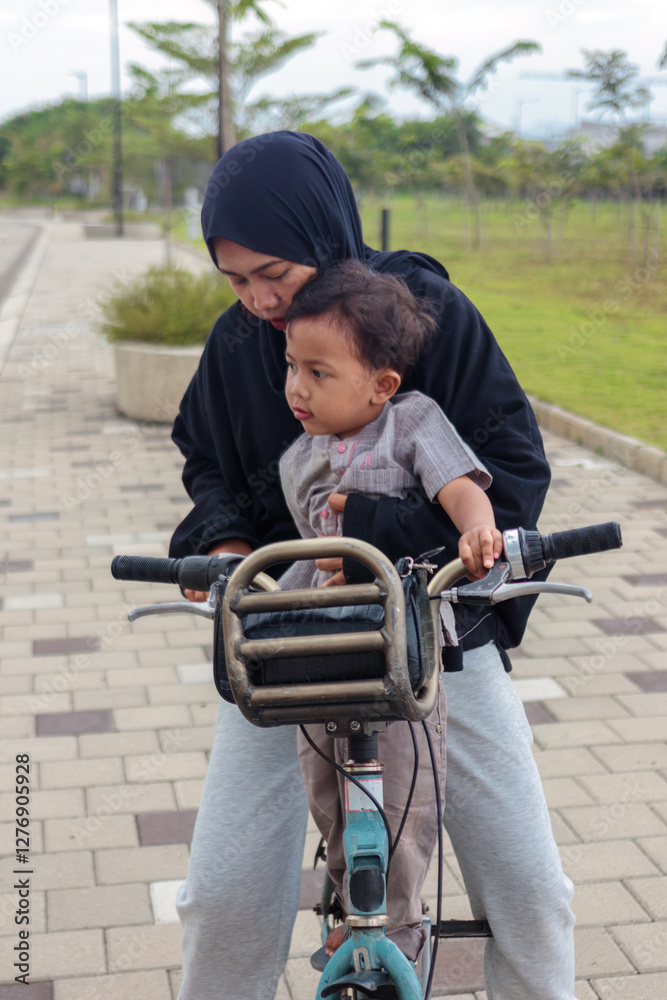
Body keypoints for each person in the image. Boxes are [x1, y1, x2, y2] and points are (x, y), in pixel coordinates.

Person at [170, 131, 576, 1000]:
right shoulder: (241, 344)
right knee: (219, 899)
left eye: (270, 273)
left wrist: (399, 533)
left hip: (432, 635)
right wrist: (227, 550)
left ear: (320, 235)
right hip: (290, 643)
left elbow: (505, 467)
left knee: (534, 898)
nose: (255, 301)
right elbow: (208, 464)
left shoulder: (426, 312)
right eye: (232, 279)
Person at [276, 257, 501, 962]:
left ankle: (399, 921)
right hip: (322, 647)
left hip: (398, 645)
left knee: (402, 790)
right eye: (291, 366)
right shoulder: (297, 456)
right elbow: (306, 555)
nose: (296, 387)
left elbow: (458, 486)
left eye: (318, 372)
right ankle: (349, 896)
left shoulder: (410, 423)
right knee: (321, 781)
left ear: (381, 385)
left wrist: (476, 526)